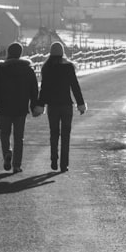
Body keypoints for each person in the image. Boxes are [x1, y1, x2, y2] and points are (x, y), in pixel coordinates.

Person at [0, 42, 39, 173]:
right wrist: (34, 106)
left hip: (5, 107)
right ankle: (16, 165)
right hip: (21, 107)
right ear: (20, 53)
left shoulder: (1, 69)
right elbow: (34, 90)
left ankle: (7, 153)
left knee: (4, 134)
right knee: (18, 137)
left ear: (8, 53)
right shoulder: (28, 70)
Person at [35, 42, 86, 173]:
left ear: (51, 52)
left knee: (54, 133)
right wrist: (80, 104)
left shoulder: (47, 67)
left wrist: (40, 104)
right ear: (62, 52)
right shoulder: (69, 67)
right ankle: (64, 164)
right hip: (66, 105)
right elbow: (75, 87)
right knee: (65, 135)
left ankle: (53, 159)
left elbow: (44, 88)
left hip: (53, 105)